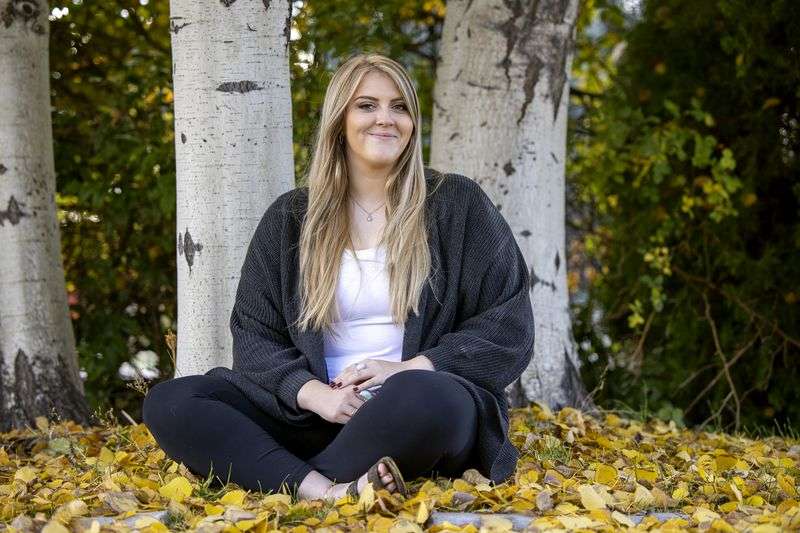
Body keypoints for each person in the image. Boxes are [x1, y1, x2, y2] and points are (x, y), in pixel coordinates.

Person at [142, 52, 535, 502]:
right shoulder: (291, 218)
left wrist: (407, 368)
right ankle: (332, 491)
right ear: (340, 120)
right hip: (313, 417)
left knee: (426, 396)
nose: (385, 119)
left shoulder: (457, 204)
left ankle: (279, 475)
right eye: (366, 105)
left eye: (399, 106)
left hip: (413, 410)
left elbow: (509, 326)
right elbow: (253, 334)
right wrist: (312, 394)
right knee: (171, 402)